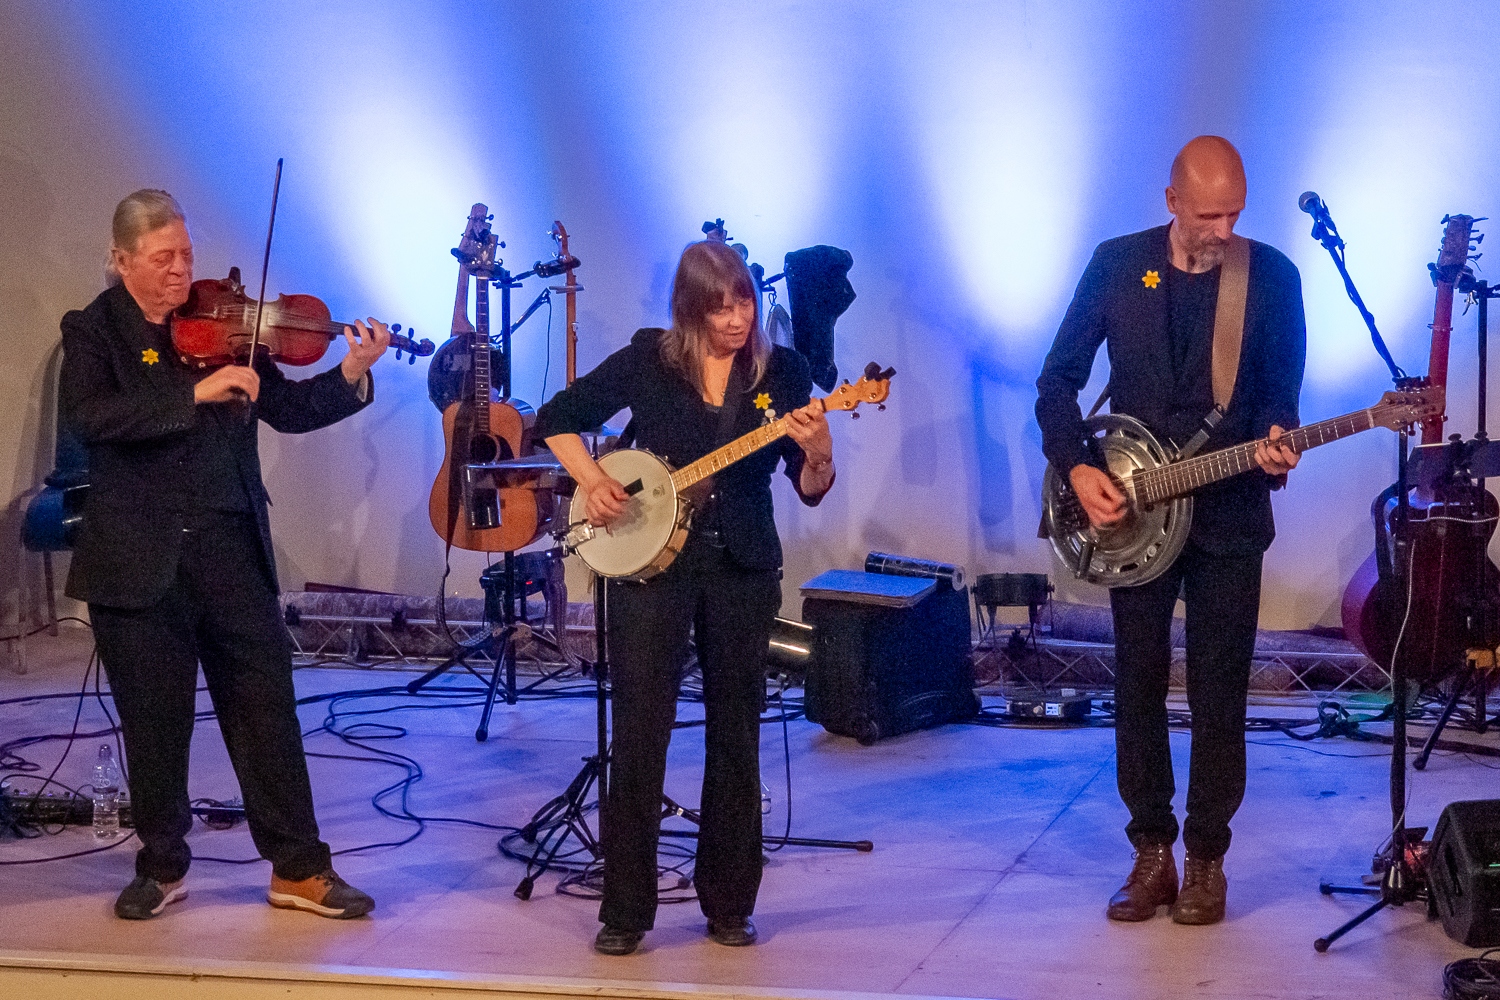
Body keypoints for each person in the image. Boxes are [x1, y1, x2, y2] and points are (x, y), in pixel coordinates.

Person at [59, 189, 387, 921]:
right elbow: (90, 418)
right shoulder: (93, 330)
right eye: (162, 259)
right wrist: (196, 394)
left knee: (266, 711)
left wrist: (351, 371)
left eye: (186, 254)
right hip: (137, 560)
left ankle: (298, 869)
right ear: (121, 260)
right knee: (154, 722)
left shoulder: (228, 327)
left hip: (230, 548)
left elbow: (290, 410)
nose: (181, 271)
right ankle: (163, 866)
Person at [535, 240, 837, 955]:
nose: (736, 319)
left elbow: (810, 486)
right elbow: (556, 417)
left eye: (744, 302)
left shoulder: (784, 371)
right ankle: (625, 911)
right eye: (719, 308)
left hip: (742, 566)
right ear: (689, 309)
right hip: (651, 570)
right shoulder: (650, 358)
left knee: (737, 733)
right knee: (641, 732)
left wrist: (821, 449)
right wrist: (593, 480)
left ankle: (730, 904)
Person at [1035, 137, 1306, 925]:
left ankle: (1208, 859)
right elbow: (1056, 381)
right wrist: (1077, 467)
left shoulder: (1272, 276)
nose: (1224, 231)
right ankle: (1151, 853)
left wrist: (1279, 443)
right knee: (1137, 686)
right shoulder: (1119, 265)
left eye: (1235, 214)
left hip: (1228, 514)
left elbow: (1280, 395)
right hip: (1134, 519)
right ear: (1171, 202)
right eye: (1208, 215)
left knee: (1220, 694)